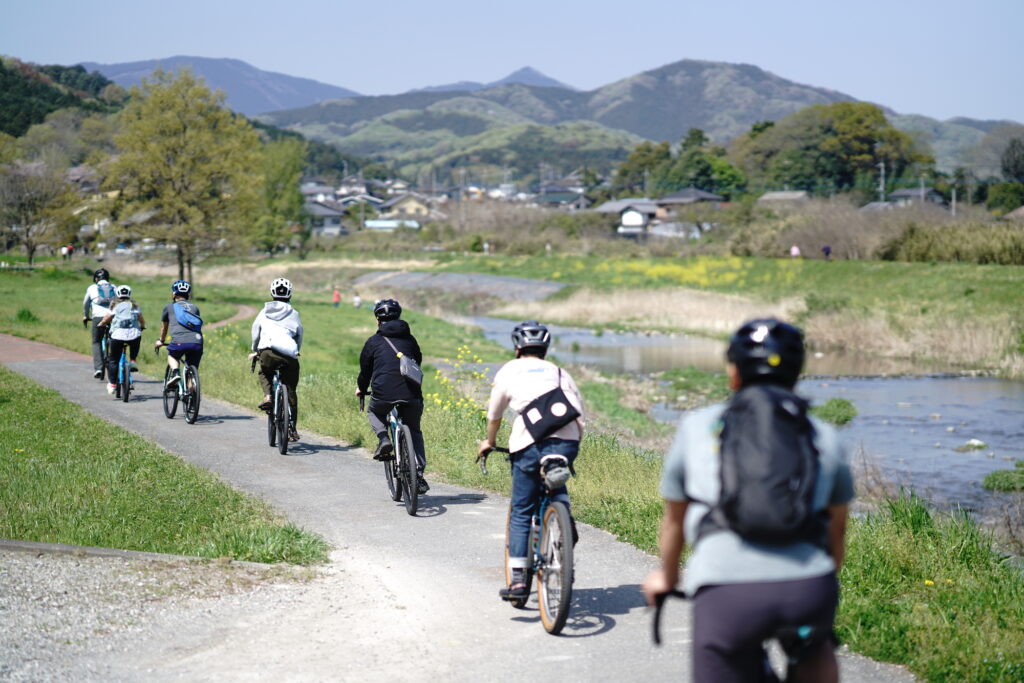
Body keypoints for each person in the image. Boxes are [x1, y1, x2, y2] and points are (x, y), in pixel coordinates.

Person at [642, 319, 854, 683]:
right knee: (815, 651)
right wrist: (814, 587)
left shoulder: (697, 427)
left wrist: (668, 576)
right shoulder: (825, 436)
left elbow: (675, 520)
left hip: (727, 594)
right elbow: (837, 531)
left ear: (734, 374)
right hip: (806, 590)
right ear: (796, 374)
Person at [479, 321, 585, 601]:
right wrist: (570, 445)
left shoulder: (509, 371)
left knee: (522, 510)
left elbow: (495, 413)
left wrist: (489, 441)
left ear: (517, 347)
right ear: (545, 347)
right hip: (566, 442)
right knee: (556, 481)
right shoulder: (560, 372)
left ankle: (517, 582)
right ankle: (563, 519)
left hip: (529, 443)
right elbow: (579, 414)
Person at [356, 298, 427, 493]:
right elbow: (417, 361)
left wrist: (361, 388)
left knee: (374, 411)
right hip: (411, 393)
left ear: (378, 319)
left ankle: (383, 439)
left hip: (383, 392)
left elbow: (365, 372)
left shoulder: (373, 341)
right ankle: (418, 474)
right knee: (414, 430)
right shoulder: (409, 339)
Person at [251, 278, 303, 441]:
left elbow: (255, 331)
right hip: (288, 355)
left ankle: (268, 396)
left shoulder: (264, 311)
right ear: (289, 294)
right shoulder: (294, 313)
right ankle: (292, 428)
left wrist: (255, 349)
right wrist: (296, 350)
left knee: (264, 372)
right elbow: (299, 334)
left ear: (272, 293)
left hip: (267, 352)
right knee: (291, 390)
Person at [154, 280, 204, 385]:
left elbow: (164, 328)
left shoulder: (169, 307)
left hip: (179, 341)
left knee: (172, 356)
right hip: (197, 342)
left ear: (173, 294)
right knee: (192, 371)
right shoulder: (195, 307)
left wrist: (161, 340)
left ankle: (176, 373)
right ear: (188, 294)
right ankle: (191, 392)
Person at [99, 285, 145, 394]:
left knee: (113, 360)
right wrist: (142, 327)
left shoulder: (115, 305)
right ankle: (133, 360)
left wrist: (101, 324)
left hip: (118, 336)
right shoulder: (134, 306)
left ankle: (113, 384)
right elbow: (141, 320)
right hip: (134, 335)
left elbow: (107, 319)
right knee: (137, 339)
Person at [82, 268, 117, 379]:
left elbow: (86, 303)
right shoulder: (114, 287)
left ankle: (98, 368)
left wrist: (86, 316)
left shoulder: (92, 288)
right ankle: (114, 364)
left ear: (96, 279)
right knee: (114, 340)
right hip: (112, 317)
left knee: (96, 341)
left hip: (97, 317)